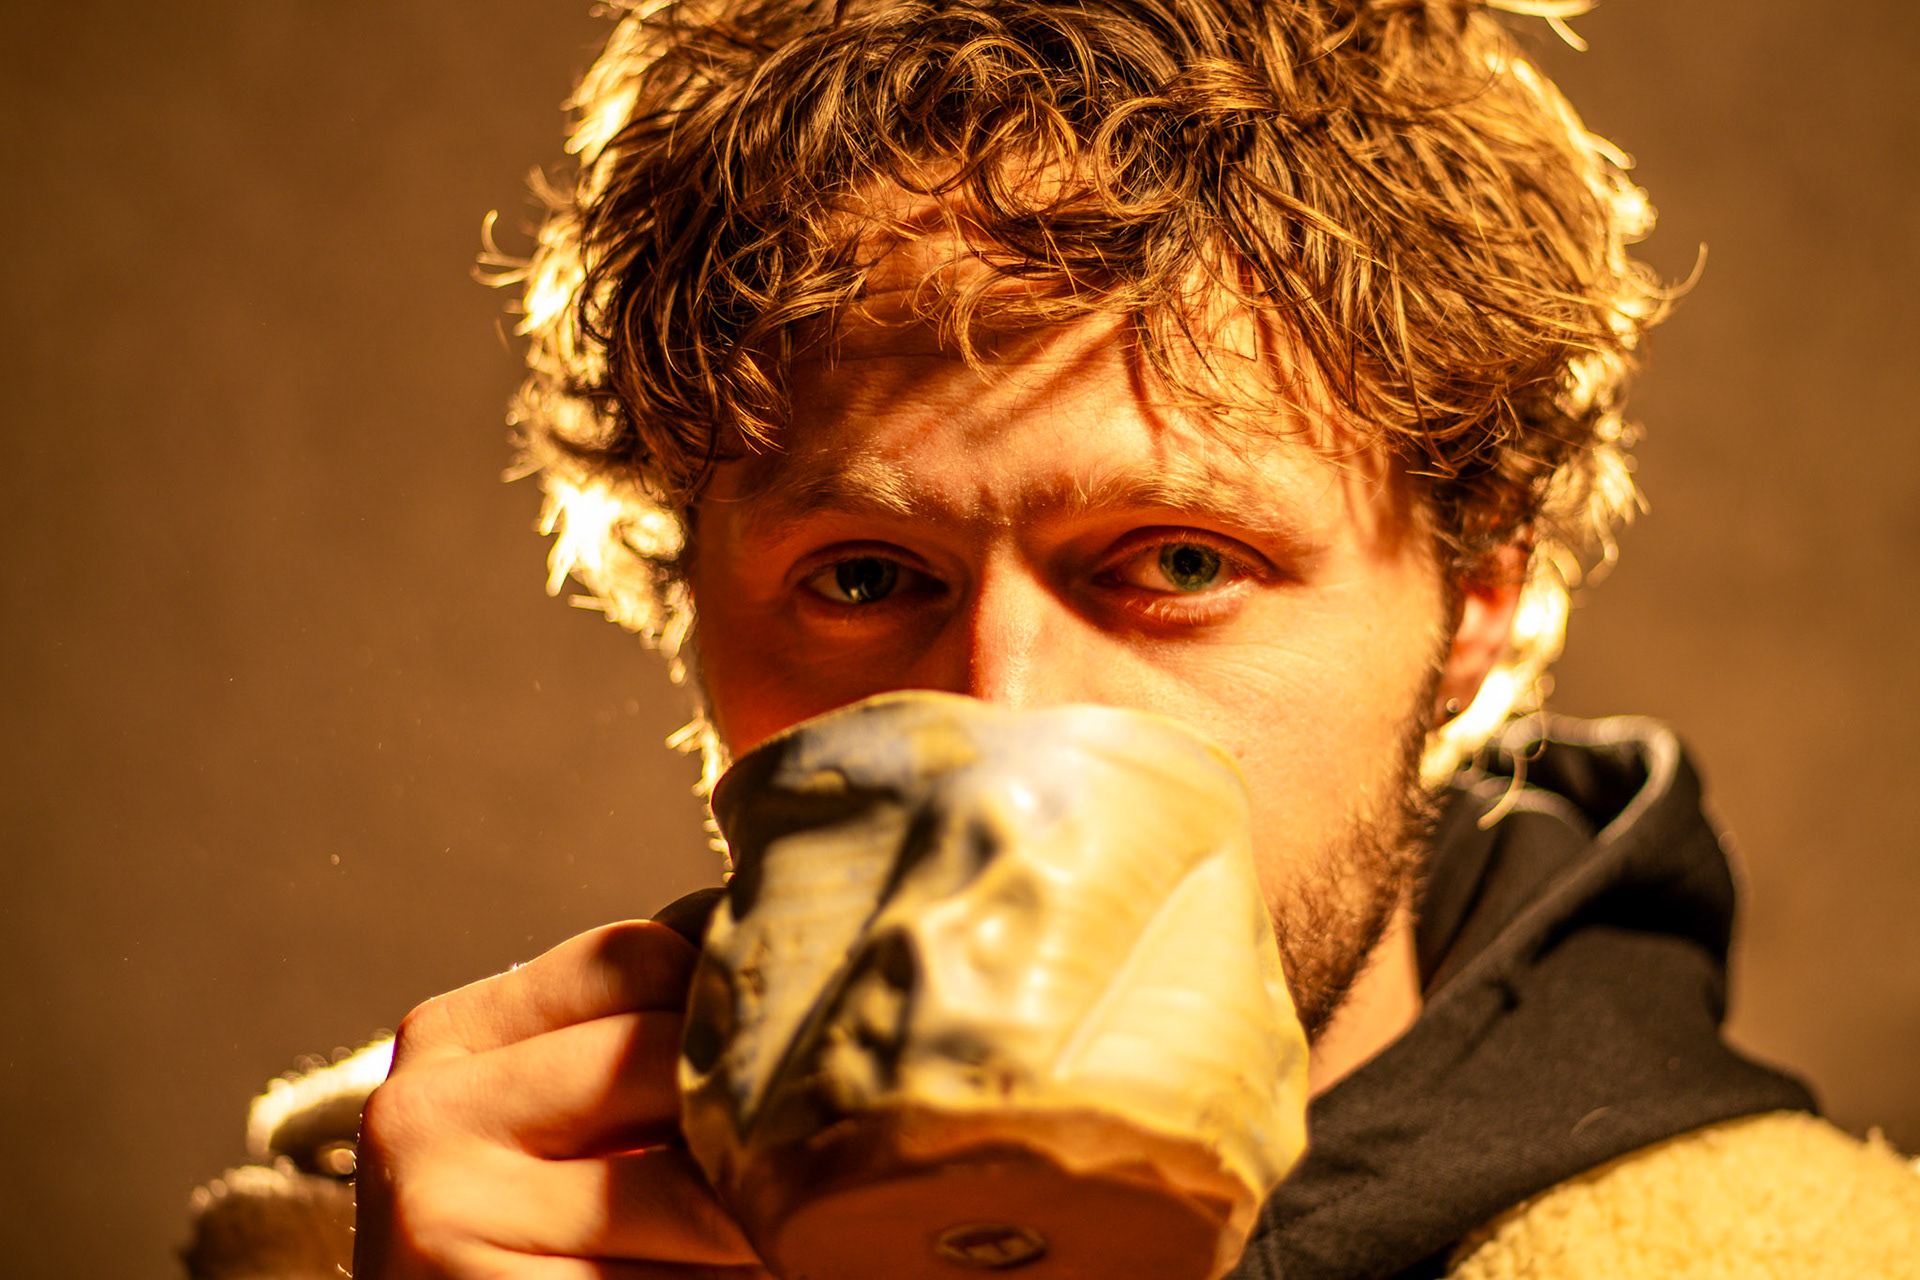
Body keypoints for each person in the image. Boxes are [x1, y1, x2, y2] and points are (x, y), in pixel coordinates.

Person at [182, 2, 1919, 1278]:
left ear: (1482, 600)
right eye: (863, 578)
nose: (998, 718)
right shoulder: (438, 1241)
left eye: (1174, 561)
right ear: (691, 606)